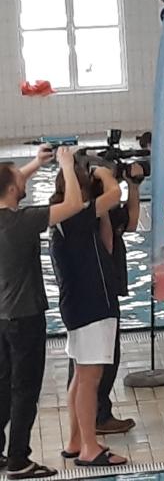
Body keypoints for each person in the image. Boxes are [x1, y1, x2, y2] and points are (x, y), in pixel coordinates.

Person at [0, 147, 80, 480]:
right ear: (11, 188)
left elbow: (10, 182)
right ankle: (18, 460)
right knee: (25, 391)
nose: (25, 179)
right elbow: (73, 204)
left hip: (2, 318)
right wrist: (67, 165)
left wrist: (36, 162)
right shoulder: (23, 221)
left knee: (3, 387)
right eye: (21, 178)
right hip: (25, 318)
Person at [50, 163, 127, 468]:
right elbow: (116, 193)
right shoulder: (73, 216)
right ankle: (89, 449)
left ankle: (75, 442)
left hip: (81, 307)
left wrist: (100, 210)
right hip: (90, 307)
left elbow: (106, 244)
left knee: (81, 376)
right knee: (89, 380)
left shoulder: (70, 220)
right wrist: (104, 174)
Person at [65, 163, 143, 436]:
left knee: (102, 361)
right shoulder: (80, 214)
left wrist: (133, 186)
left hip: (105, 292)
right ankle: (92, 421)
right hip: (91, 298)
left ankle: (90, 423)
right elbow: (112, 202)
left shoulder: (103, 210)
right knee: (90, 367)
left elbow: (131, 221)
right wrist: (107, 176)